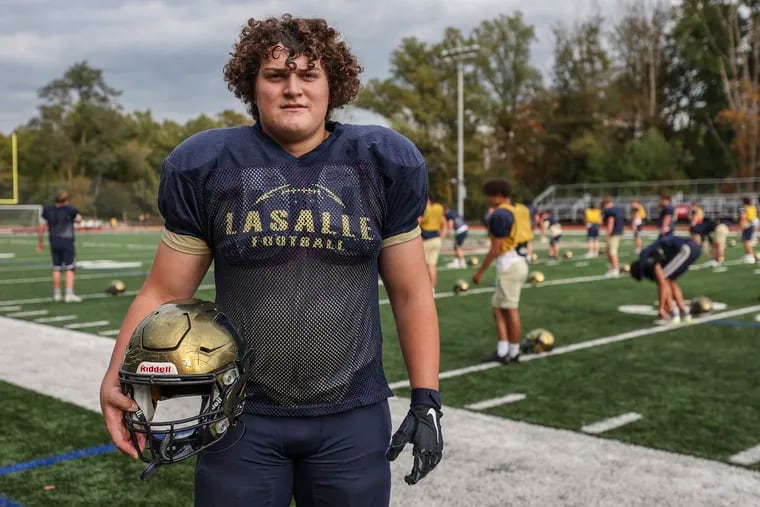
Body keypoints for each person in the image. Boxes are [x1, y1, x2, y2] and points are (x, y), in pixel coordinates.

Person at [98, 15, 443, 506]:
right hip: (239, 416)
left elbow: (411, 292)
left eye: (308, 76)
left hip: (352, 414)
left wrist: (427, 399)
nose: (293, 90)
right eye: (276, 76)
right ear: (252, 86)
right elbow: (163, 291)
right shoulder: (210, 164)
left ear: (333, 86)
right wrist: (116, 377)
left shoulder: (379, 161)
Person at [473, 179, 531, 364]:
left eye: (489, 196)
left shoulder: (500, 214)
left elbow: (496, 247)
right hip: (518, 260)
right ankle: (503, 349)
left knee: (510, 309)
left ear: (497, 196)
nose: (487, 200)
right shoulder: (519, 208)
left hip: (509, 264)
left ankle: (513, 352)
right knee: (498, 308)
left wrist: (480, 271)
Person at [630, 234, 702, 324]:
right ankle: (683, 311)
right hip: (693, 248)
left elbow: (662, 283)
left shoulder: (648, 260)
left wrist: (661, 309)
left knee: (665, 279)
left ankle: (672, 313)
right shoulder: (649, 255)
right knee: (670, 280)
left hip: (686, 249)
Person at [36, 190, 83, 303]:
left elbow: (41, 227)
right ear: (66, 200)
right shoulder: (70, 209)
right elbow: (79, 219)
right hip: (67, 241)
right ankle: (68, 294)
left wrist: (40, 242)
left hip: (54, 241)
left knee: (56, 268)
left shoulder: (47, 210)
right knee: (70, 268)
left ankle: (57, 294)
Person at [420, 195, 447, 287]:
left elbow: (419, 221)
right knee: (432, 265)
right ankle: (432, 288)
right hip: (436, 238)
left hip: (426, 239)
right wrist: (441, 237)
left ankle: (424, 288)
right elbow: (444, 223)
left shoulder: (426, 208)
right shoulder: (439, 208)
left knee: (421, 266)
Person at [602, 197, 625, 277]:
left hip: (613, 233)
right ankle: (613, 268)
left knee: (612, 252)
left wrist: (607, 235)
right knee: (609, 252)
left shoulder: (609, 211)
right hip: (617, 232)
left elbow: (610, 223)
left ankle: (615, 270)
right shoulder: (617, 209)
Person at [738, 197, 758, 264]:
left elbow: (743, 217)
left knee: (746, 241)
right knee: (748, 241)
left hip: (747, 225)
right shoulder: (753, 207)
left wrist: (740, 228)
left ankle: (750, 256)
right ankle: (748, 255)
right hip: (753, 223)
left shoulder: (744, 207)